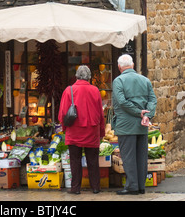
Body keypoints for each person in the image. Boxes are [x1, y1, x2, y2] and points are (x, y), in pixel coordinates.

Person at [112, 54, 157, 195]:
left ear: (120, 67)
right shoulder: (145, 80)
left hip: (126, 126)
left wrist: (139, 113)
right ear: (132, 65)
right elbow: (153, 99)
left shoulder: (118, 81)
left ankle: (132, 186)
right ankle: (140, 186)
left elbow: (122, 102)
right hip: (142, 125)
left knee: (129, 157)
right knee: (141, 157)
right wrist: (147, 115)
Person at [58, 65, 105, 194]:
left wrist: (64, 128)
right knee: (93, 161)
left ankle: (75, 188)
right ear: (89, 77)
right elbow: (101, 115)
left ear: (77, 76)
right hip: (92, 131)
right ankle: (95, 187)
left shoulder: (69, 90)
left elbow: (62, 113)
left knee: (74, 160)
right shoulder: (95, 90)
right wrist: (101, 132)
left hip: (74, 131)